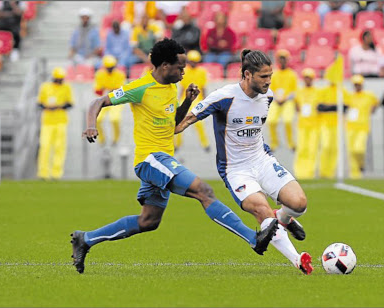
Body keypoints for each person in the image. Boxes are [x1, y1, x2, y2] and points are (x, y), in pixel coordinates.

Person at [71, 39, 279, 274]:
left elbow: (173, 124)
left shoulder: (171, 87)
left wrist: (188, 102)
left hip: (160, 160)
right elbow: (98, 101)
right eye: (180, 68)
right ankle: (253, 238)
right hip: (150, 158)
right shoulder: (141, 87)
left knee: (148, 221)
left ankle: (85, 239)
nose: (183, 73)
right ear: (164, 66)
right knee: (204, 191)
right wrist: (91, 125)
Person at [175, 49, 314, 275]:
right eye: (263, 77)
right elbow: (184, 122)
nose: (269, 81)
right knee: (262, 211)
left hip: (262, 160)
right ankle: (298, 260)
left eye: (270, 76)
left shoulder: (268, 97)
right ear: (247, 75)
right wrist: (178, 114)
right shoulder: (224, 97)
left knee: (299, 203)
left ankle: (284, 217)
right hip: (236, 169)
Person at [37, 67, 74, 180]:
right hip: (47, 122)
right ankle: (43, 173)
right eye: (58, 79)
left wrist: (59, 106)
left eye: (61, 79)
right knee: (45, 147)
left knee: (59, 147)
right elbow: (39, 103)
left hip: (61, 121)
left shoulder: (66, 87)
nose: (59, 81)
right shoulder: (45, 87)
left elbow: (70, 104)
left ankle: (56, 173)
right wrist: (47, 107)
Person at [174, 50, 210, 152]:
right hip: (185, 97)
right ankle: (177, 144)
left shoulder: (202, 72)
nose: (193, 63)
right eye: (191, 61)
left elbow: (203, 88)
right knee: (178, 120)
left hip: (197, 97)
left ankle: (205, 144)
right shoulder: (185, 71)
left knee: (198, 122)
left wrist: (205, 101)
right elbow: (182, 88)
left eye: (195, 61)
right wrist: (179, 100)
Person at [345, 75, 378, 179]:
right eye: (355, 85)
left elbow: (376, 103)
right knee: (351, 151)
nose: (357, 86)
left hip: (363, 127)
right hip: (350, 127)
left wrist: (373, 109)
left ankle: (361, 165)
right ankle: (355, 175)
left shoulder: (369, 95)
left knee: (359, 149)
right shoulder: (349, 96)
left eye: (359, 84)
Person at [316, 79, 349, 179]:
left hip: (337, 124)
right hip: (325, 124)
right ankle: (323, 172)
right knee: (325, 147)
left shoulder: (342, 91)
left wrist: (329, 107)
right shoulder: (323, 91)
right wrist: (335, 107)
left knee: (334, 149)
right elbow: (319, 107)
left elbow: (345, 106)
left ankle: (330, 173)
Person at [266, 49, 298, 151]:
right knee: (271, 121)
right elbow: (270, 89)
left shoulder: (292, 74)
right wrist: (277, 97)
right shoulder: (274, 74)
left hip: (287, 101)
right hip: (276, 100)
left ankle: (291, 143)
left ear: (287, 60)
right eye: (280, 59)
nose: (282, 61)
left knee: (288, 120)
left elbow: (294, 91)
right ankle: (274, 143)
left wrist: (285, 98)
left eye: (284, 59)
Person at [293, 68, 321, 179]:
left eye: (309, 78)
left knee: (312, 149)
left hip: (314, 125)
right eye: (305, 78)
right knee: (301, 149)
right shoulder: (299, 92)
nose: (307, 80)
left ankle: (310, 172)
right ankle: (299, 172)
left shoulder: (318, 92)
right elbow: (296, 107)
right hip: (302, 125)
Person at [94, 55, 127, 148]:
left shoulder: (120, 74)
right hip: (104, 100)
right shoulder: (99, 74)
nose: (110, 70)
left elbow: (121, 90)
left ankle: (116, 139)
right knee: (98, 119)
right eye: (108, 68)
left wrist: (108, 89)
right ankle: (102, 139)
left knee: (114, 119)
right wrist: (110, 90)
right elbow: (97, 90)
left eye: (111, 67)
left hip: (116, 101)